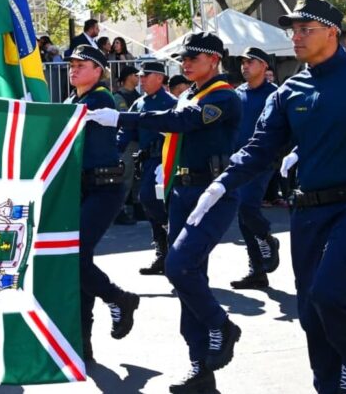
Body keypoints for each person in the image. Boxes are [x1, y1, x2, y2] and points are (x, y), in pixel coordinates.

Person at [188, 0, 346, 394]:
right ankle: (329, 385)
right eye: (292, 31)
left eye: (305, 30)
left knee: (331, 292)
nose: (295, 37)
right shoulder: (290, 90)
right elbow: (260, 147)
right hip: (308, 209)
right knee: (310, 309)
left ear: (331, 32)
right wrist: (222, 183)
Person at [87, 32, 243, 393]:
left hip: (213, 191)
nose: (185, 63)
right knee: (189, 278)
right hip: (184, 190)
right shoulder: (189, 93)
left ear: (214, 61)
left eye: (194, 57)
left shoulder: (222, 96)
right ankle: (200, 367)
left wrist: (121, 118)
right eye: (183, 58)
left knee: (179, 267)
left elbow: (182, 122)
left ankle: (222, 325)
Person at [67, 45, 140, 364]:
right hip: (80, 190)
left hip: (105, 188)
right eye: (71, 64)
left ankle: (119, 299)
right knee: (77, 262)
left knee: (76, 256)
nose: (74, 69)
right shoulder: (73, 101)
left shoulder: (100, 98)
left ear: (98, 71)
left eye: (82, 65)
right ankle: (84, 344)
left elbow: (71, 123)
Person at [118, 62, 177, 275]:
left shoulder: (172, 103)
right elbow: (126, 132)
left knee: (153, 200)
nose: (141, 79)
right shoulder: (139, 103)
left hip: (165, 161)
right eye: (140, 76)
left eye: (146, 76)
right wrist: (115, 153)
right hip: (147, 161)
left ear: (160, 78)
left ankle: (172, 246)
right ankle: (163, 252)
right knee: (149, 203)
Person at [229, 47, 280, 290]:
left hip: (262, 161)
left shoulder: (276, 94)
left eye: (251, 62)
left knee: (248, 206)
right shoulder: (237, 94)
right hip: (238, 161)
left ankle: (266, 237)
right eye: (243, 62)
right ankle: (257, 270)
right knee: (242, 213)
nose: (245, 66)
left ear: (264, 66)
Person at [113, 65, 141, 225]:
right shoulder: (119, 97)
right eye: (136, 75)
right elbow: (124, 118)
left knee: (136, 176)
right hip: (126, 142)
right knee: (125, 175)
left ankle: (137, 207)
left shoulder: (136, 96)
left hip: (136, 140)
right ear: (128, 77)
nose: (139, 78)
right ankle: (118, 210)